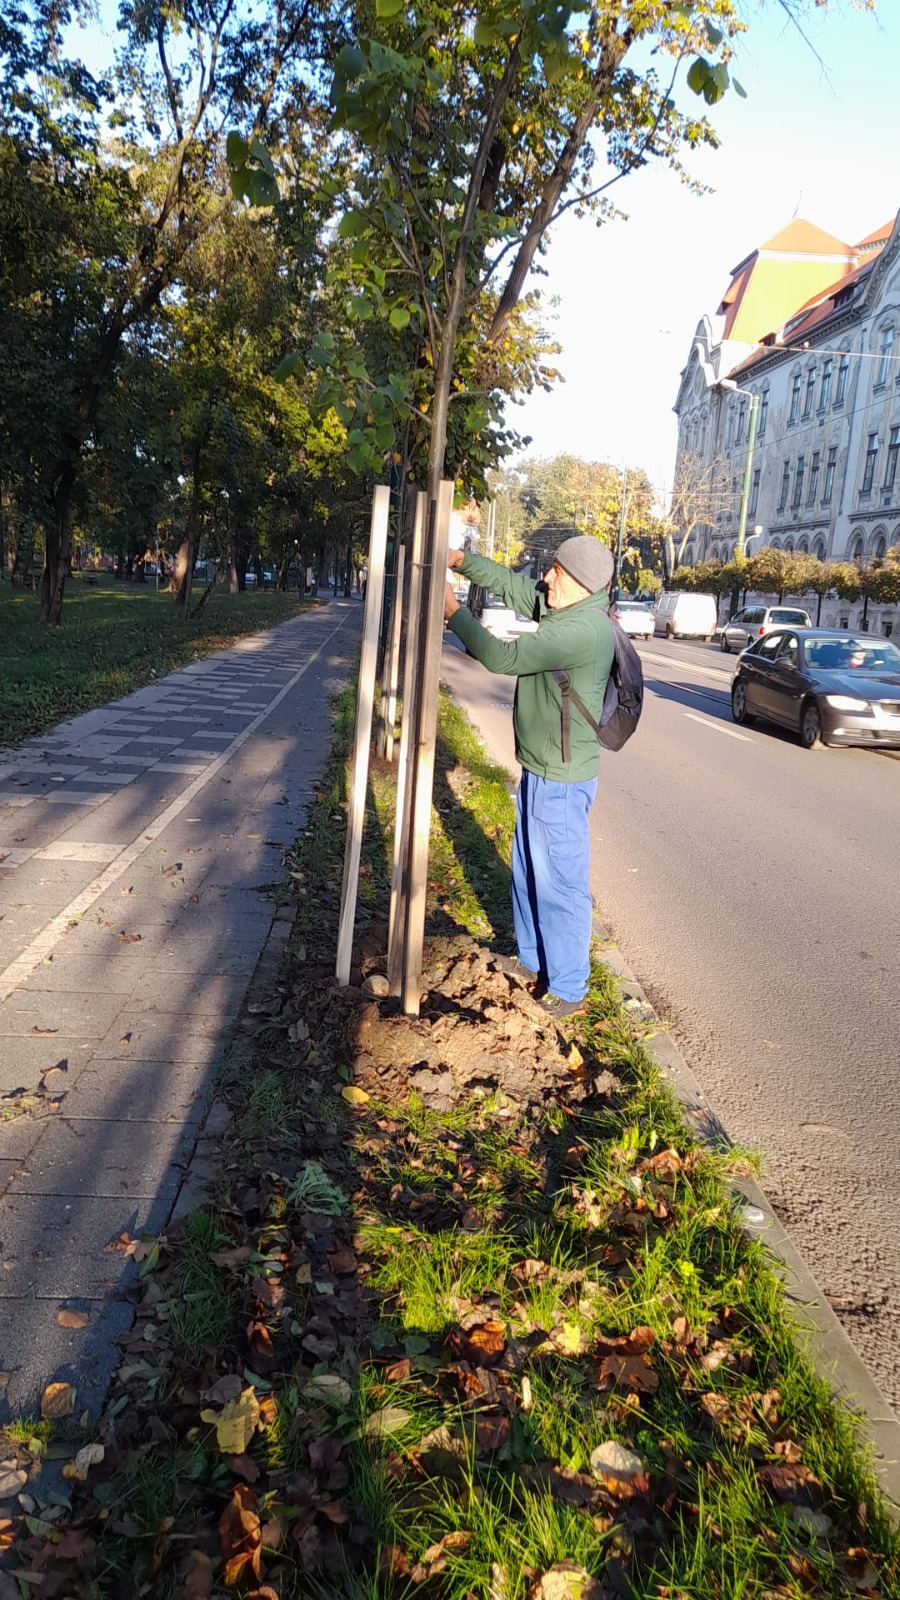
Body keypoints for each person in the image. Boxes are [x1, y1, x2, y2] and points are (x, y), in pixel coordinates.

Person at [443, 536, 615, 1018]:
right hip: (539, 770)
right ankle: (535, 962)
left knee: (561, 882)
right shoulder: (566, 609)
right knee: (528, 871)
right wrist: (462, 560)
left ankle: (569, 987)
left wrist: (453, 611)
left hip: (561, 781)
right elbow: (518, 589)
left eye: (556, 572)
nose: (547, 579)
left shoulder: (582, 631)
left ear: (581, 583)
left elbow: (503, 659)